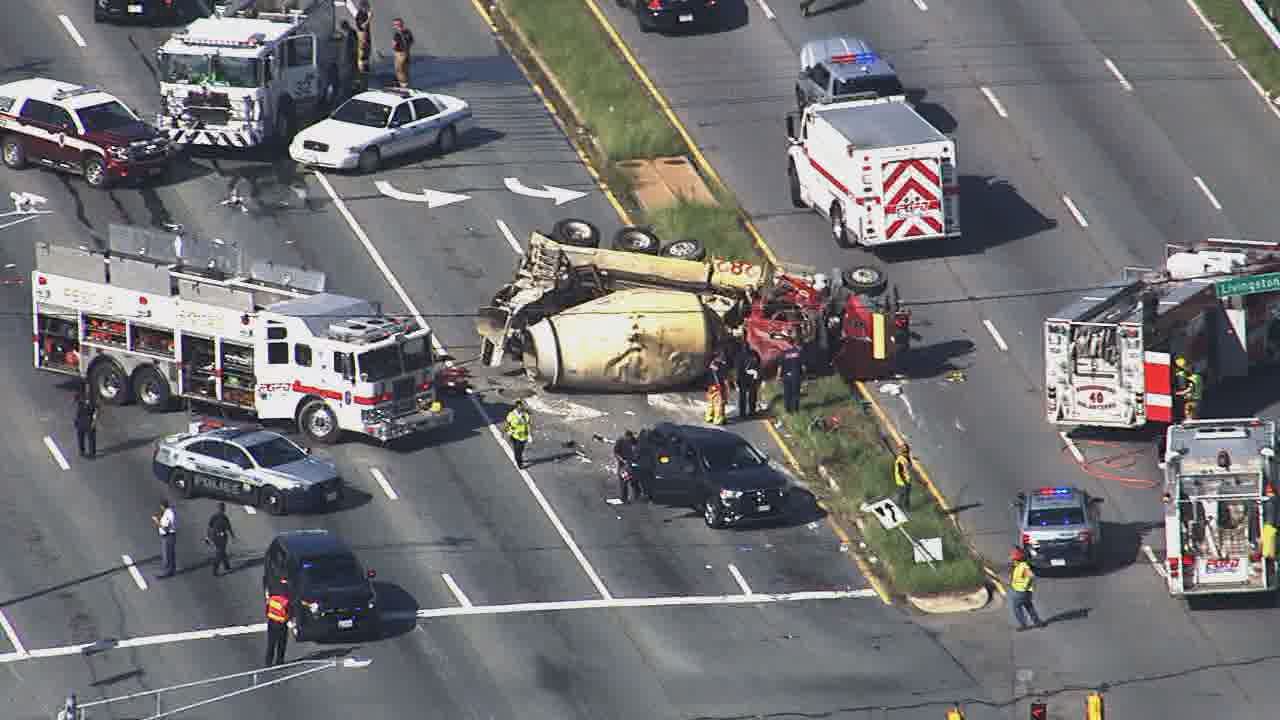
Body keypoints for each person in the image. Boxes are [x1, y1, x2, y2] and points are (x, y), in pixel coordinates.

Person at [1008, 547, 1045, 631]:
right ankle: (1037, 622)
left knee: (1017, 608)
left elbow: (1031, 576)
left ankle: (1023, 624)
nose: (1011, 557)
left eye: (1013, 555)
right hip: (1025, 592)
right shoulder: (1018, 565)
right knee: (1029, 606)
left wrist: (1024, 585)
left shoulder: (1023, 566)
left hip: (1021, 592)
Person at [206, 502, 235, 577]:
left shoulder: (224, 518)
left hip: (223, 537)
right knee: (219, 553)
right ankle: (215, 570)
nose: (221, 510)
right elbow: (210, 527)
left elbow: (229, 528)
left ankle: (226, 566)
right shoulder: (215, 517)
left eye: (222, 509)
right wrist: (207, 537)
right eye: (221, 508)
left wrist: (232, 536)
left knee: (222, 552)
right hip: (216, 537)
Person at [614, 430, 644, 503]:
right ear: (626, 436)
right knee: (624, 481)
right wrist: (622, 460)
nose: (629, 440)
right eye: (628, 438)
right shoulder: (620, 441)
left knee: (634, 480)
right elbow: (616, 453)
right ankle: (624, 498)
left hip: (632, 464)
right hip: (623, 465)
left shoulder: (633, 440)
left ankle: (638, 494)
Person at [735, 343, 761, 419]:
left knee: (742, 396)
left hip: (743, 378)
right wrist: (758, 375)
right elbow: (759, 365)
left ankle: (742, 413)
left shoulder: (739, 355)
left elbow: (737, 369)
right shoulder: (754, 353)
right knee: (752, 394)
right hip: (752, 377)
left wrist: (737, 380)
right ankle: (752, 411)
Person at [152, 500, 177, 578]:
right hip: (170, 536)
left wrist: (156, 521)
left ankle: (166, 572)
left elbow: (165, 528)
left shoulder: (167, 514)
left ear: (163, 506)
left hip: (167, 536)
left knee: (166, 554)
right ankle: (171, 570)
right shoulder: (169, 512)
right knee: (170, 553)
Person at [265, 590, 290, 666]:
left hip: (271, 623)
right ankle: (279, 661)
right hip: (281, 625)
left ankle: (268, 662)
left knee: (271, 644)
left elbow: (267, 610)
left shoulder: (272, 599)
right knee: (281, 644)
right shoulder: (285, 601)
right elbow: (289, 613)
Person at [505, 400, 532, 469]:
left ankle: (519, 459)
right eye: (519, 407)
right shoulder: (511, 415)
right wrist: (508, 431)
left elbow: (528, 425)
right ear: (516, 407)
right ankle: (520, 464)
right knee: (518, 451)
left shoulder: (525, 415)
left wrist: (529, 435)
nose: (520, 408)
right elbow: (507, 424)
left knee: (521, 450)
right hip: (515, 436)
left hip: (523, 436)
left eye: (521, 407)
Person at [780, 339, 804, 413]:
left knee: (787, 393)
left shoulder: (784, 353)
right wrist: (804, 375)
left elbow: (780, 366)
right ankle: (796, 409)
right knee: (795, 393)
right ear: (793, 344)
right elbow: (803, 366)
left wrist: (778, 376)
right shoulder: (799, 353)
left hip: (786, 376)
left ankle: (788, 410)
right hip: (796, 375)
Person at [73, 390, 98, 459]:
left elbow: (95, 412)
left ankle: (92, 452)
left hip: (88, 420)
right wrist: (76, 420)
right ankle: (82, 451)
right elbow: (78, 412)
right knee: (80, 436)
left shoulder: (93, 402)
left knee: (91, 437)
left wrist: (94, 422)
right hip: (81, 419)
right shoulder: (80, 401)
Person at [391, 17, 414, 88]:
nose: (394, 26)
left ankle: (403, 85)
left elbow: (394, 45)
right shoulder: (408, 31)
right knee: (406, 69)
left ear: (397, 25)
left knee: (399, 70)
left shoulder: (397, 34)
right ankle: (407, 83)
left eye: (395, 24)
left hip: (400, 54)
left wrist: (395, 50)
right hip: (407, 52)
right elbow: (411, 41)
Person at [339, 19, 359, 88]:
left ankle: (352, 85)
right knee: (349, 73)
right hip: (348, 57)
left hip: (351, 57)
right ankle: (351, 84)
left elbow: (355, 45)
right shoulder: (348, 33)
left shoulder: (351, 33)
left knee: (351, 72)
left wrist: (353, 55)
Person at [893, 443, 913, 511]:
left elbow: (907, 466)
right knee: (906, 495)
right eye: (906, 452)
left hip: (905, 480)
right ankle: (906, 508)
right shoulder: (901, 460)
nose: (907, 453)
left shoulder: (906, 458)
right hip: (902, 481)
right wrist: (905, 482)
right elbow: (900, 473)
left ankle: (899, 505)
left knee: (902, 493)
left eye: (907, 451)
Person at [355, 0, 373, 74]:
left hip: (365, 34)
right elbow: (362, 26)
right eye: (367, 6)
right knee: (363, 52)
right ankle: (361, 69)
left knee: (366, 51)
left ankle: (365, 68)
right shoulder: (361, 15)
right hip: (363, 34)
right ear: (363, 7)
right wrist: (370, 18)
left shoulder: (363, 13)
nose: (369, 7)